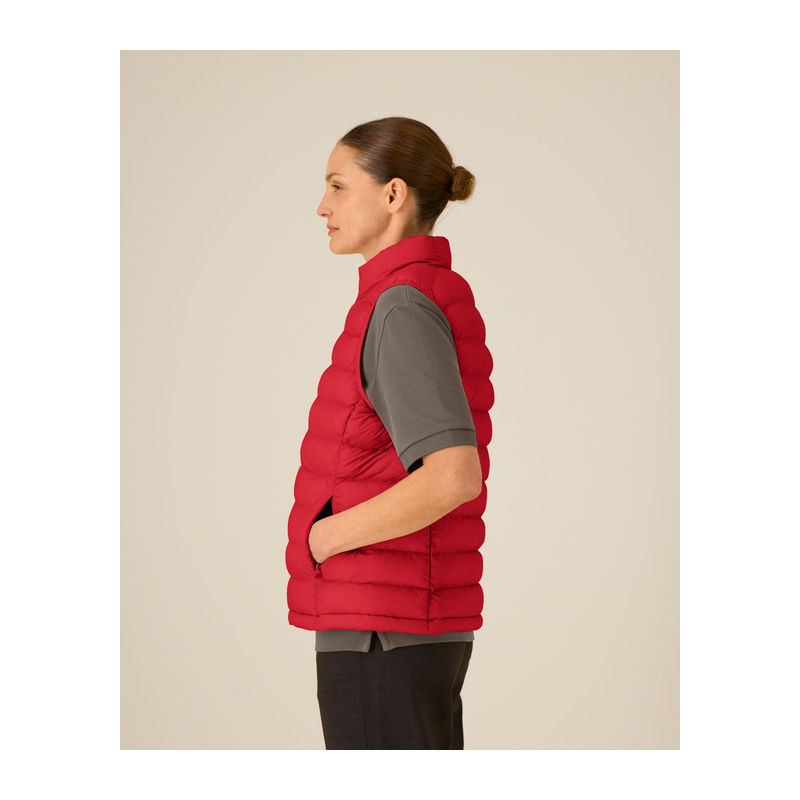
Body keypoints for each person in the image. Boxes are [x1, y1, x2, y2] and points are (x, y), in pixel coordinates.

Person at [285, 116, 494, 749]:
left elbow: (452, 476)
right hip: (393, 620)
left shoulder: (401, 305)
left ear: (394, 194)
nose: (322, 207)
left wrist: (324, 537)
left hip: (383, 628)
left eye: (338, 186)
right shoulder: (404, 296)